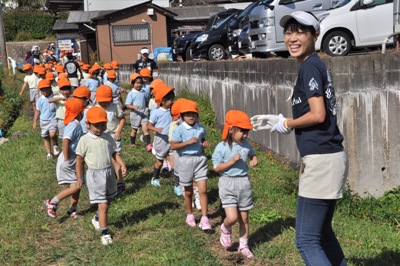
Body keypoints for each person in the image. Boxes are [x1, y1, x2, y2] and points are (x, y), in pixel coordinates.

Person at [251, 11, 348, 266]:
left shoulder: (309, 67)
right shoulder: (313, 65)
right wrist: (283, 120)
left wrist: (286, 123)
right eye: (288, 31)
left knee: (305, 240)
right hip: (330, 158)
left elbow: (318, 114)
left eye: (301, 32)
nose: (293, 38)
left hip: (321, 160)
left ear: (315, 36)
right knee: (323, 235)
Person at [75, 106, 128, 245]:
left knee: (109, 199)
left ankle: (97, 218)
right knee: (103, 204)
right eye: (96, 125)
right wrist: (79, 177)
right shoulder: (84, 140)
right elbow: (79, 160)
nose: (100, 128)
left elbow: (113, 153)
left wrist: (122, 164)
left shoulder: (107, 137)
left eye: (103, 124)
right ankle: (105, 233)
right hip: (95, 175)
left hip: (109, 172)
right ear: (88, 124)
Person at [212, 110, 258, 259]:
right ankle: (225, 228)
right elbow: (217, 168)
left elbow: (252, 153)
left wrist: (254, 159)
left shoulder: (246, 145)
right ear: (231, 129)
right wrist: (231, 161)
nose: (245, 134)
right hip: (227, 183)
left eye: (247, 131)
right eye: (242, 131)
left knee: (244, 218)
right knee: (232, 218)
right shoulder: (221, 147)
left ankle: (243, 245)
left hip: (243, 183)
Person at [170, 100, 211, 231]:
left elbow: (202, 138)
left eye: (193, 114)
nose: (191, 117)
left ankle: (205, 218)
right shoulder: (179, 129)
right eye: (187, 114)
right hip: (185, 160)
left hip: (200, 159)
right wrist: (187, 143)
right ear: (182, 116)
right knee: (188, 192)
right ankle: (190, 214)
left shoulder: (200, 128)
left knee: (203, 190)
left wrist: (204, 143)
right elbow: (173, 145)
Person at [43, 98, 85, 219]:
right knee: (76, 186)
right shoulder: (73, 125)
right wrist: (67, 160)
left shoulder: (75, 124)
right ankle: (52, 202)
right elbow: (65, 142)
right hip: (69, 160)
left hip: (75, 160)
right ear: (79, 113)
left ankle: (72, 209)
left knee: (77, 186)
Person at [95, 85, 127, 192]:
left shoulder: (115, 107)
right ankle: (108, 179)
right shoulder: (96, 108)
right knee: (105, 159)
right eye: (101, 101)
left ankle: (120, 181)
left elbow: (122, 119)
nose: (104, 104)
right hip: (101, 136)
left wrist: (118, 131)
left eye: (106, 101)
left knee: (115, 158)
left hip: (113, 135)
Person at [147, 84, 175, 187]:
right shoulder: (156, 112)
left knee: (174, 163)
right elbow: (149, 125)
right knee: (159, 161)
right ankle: (155, 178)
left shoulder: (173, 111)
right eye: (170, 100)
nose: (172, 101)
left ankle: (177, 185)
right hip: (161, 139)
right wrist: (156, 129)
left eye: (173, 99)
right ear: (163, 101)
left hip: (172, 139)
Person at [33, 79, 60, 160]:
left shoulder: (54, 97)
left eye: (47, 88)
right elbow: (37, 111)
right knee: (46, 137)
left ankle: (55, 145)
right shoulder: (40, 100)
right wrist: (35, 121)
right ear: (40, 90)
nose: (45, 91)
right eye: (42, 89)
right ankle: (48, 153)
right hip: (43, 121)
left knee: (52, 134)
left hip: (53, 119)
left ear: (50, 88)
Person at [125, 73, 151, 150]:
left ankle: (148, 145)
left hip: (144, 111)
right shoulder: (131, 93)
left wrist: (147, 108)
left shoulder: (143, 92)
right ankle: (132, 143)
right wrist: (133, 107)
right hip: (135, 113)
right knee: (134, 129)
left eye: (140, 83)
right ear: (132, 84)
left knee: (145, 128)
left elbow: (146, 100)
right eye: (137, 83)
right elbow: (127, 105)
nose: (139, 85)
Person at [168, 98, 187, 196]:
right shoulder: (174, 124)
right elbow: (171, 140)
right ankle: (177, 185)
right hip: (177, 150)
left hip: (189, 152)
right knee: (177, 168)